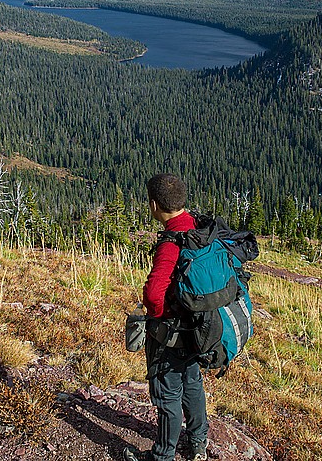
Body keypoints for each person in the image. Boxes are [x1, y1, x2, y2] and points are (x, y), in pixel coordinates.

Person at [134, 173, 208, 461]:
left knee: (167, 393)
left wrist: (157, 321)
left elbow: (154, 294)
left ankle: (163, 455)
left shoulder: (171, 241)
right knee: (191, 382)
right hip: (198, 326)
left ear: (154, 205)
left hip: (173, 331)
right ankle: (198, 442)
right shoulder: (197, 227)